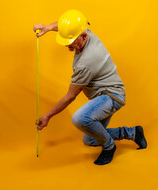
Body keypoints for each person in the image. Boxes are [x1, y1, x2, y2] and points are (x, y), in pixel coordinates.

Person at [33, 9, 147, 165]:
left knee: (79, 119)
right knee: (90, 139)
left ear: (83, 36)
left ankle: (109, 147)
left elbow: (70, 96)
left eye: (70, 41)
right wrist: (48, 27)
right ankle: (133, 133)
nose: (67, 44)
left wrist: (48, 116)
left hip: (112, 96)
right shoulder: (85, 33)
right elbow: (69, 26)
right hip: (104, 95)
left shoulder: (86, 62)